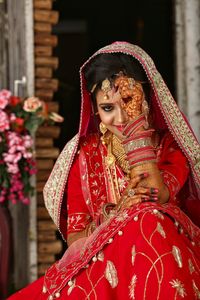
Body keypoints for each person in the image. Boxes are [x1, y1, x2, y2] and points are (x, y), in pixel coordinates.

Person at [8, 41, 200, 300]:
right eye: (108, 108)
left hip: (166, 254)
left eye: (129, 102)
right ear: (95, 109)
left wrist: (137, 129)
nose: (120, 119)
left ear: (147, 98)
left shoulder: (169, 145)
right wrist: (117, 218)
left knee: (148, 217)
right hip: (106, 262)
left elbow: (155, 194)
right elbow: (76, 239)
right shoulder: (83, 155)